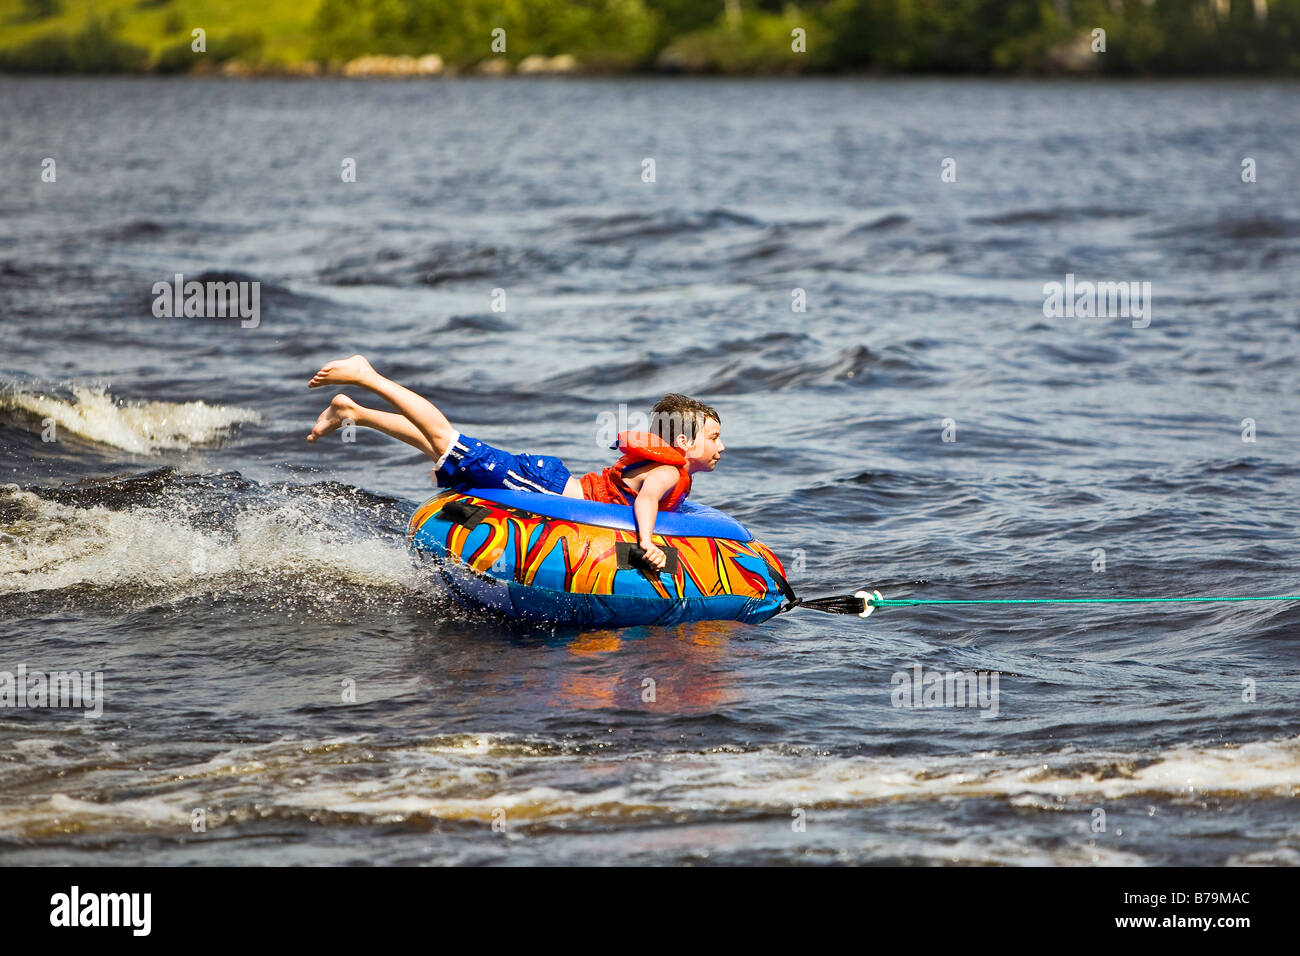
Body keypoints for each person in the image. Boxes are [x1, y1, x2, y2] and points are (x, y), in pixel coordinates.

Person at [306, 355, 724, 570]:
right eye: (714, 438)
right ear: (683, 442)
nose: (720, 447)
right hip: (542, 487)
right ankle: (368, 376)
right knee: (445, 438)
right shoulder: (669, 470)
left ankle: (354, 413)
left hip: (547, 477)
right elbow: (646, 501)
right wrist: (648, 544)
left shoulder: (674, 472)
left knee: (442, 449)